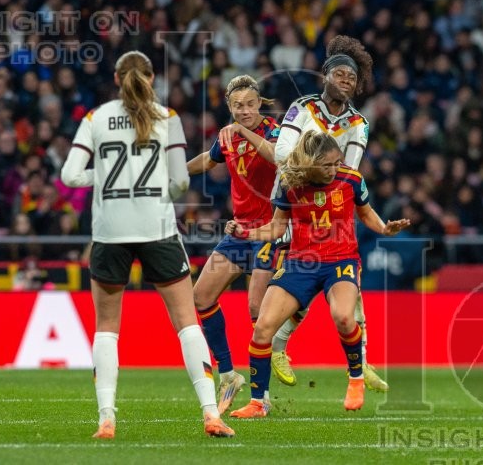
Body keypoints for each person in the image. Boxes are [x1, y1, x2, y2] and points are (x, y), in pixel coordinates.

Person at [60, 51, 235, 440]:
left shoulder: (96, 118)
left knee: (107, 328)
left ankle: (106, 418)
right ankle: (210, 412)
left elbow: (70, 175)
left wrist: (104, 177)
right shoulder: (166, 118)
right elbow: (181, 184)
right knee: (187, 323)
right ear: (152, 78)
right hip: (156, 230)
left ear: (117, 77)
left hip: (109, 234)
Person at [225, 131, 410, 418]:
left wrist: (385, 228)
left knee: (344, 317)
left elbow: (365, 212)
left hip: (341, 260)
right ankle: (258, 403)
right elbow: (276, 228)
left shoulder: (351, 179)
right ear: (309, 163)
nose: (334, 169)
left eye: (337, 162)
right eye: (327, 165)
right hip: (301, 262)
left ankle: (356, 379)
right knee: (262, 328)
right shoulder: (289, 184)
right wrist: (245, 232)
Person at [270, 34, 389, 392]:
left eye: (351, 78)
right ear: (325, 76)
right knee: (294, 292)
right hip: (293, 211)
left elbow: (348, 175)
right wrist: (314, 176)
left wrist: (328, 188)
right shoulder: (301, 109)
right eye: (339, 74)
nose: (346, 81)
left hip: (332, 215)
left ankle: (361, 363)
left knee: (348, 290)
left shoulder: (359, 125)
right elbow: (281, 154)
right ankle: (274, 348)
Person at [187, 75, 280, 414]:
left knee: (257, 309)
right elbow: (209, 160)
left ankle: (262, 396)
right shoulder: (225, 138)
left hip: (270, 231)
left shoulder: (274, 132)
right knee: (202, 295)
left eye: (250, 104)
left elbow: (276, 157)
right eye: (237, 106)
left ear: (260, 103)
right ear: (229, 106)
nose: (244, 111)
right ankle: (228, 374)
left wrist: (243, 132)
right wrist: (175, 174)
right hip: (239, 232)